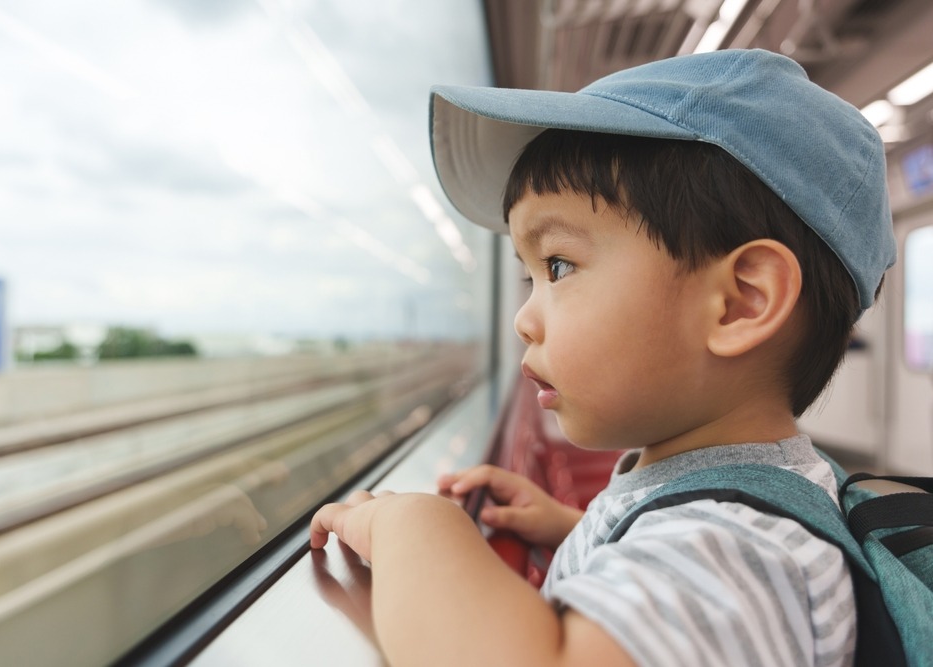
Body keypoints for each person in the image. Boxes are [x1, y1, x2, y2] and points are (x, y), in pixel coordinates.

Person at [310, 48, 896, 666]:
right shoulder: (739, 510)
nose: (522, 318)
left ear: (739, 303)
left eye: (557, 266)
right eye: (530, 274)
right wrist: (573, 528)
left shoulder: (741, 548)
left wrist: (416, 528)